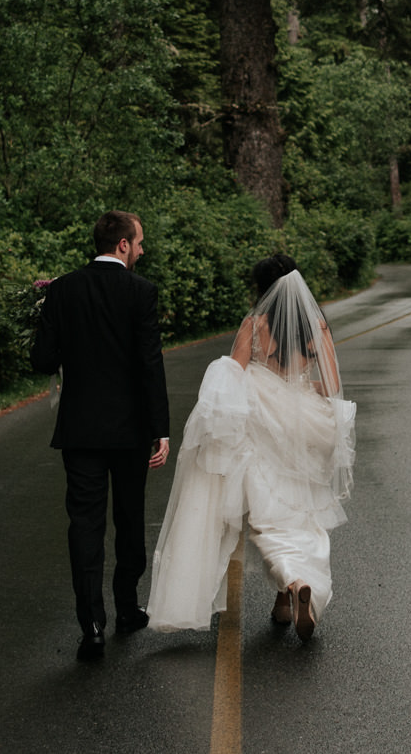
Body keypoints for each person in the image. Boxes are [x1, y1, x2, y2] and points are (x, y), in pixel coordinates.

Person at [145, 255, 354, 641]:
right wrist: (299, 393)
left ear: (263, 289)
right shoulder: (316, 324)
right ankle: (289, 593)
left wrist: (214, 415)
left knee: (266, 516)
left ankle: (293, 581)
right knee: (300, 513)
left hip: (261, 423)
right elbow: (331, 383)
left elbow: (234, 374)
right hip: (306, 425)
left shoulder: (255, 324)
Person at [31, 210, 171, 662]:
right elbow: (151, 364)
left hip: (80, 429)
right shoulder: (141, 293)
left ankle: (91, 626)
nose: (143, 250)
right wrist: (160, 430)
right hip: (130, 431)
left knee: (85, 525)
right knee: (129, 520)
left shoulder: (62, 290)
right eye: (140, 241)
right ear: (123, 245)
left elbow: (41, 358)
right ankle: (128, 610)